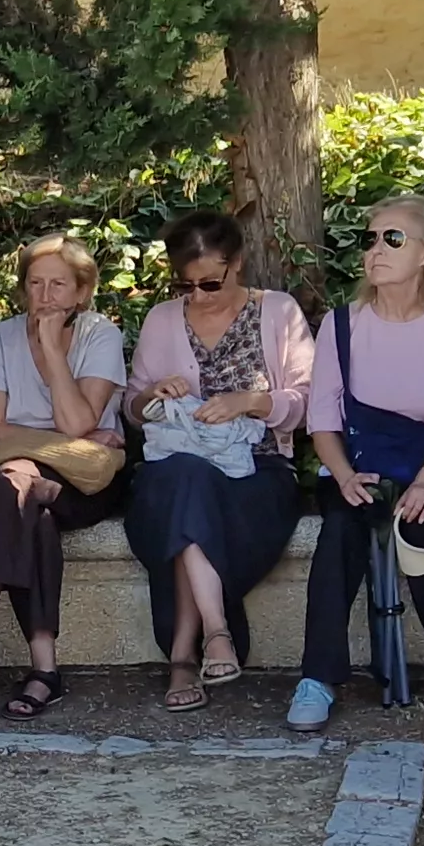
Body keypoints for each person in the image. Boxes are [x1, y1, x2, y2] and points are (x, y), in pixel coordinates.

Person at [289, 194, 424, 730]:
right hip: (361, 464)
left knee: (423, 525)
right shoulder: (342, 324)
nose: (376, 250)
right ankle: (317, 677)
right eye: (370, 239)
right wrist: (342, 475)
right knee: (341, 527)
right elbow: (323, 418)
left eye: (393, 239)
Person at [0, 234, 128, 720]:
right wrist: (64, 440)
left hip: (84, 484)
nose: (45, 296)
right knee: (27, 504)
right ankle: (44, 671)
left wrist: (54, 353)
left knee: (13, 481)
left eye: (59, 285)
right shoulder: (2, 336)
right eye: (35, 284)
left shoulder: (100, 335)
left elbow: (74, 422)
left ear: (82, 291)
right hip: (25, 482)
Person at [125, 211, 311, 711]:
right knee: (186, 480)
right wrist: (151, 396)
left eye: (210, 282)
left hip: (257, 470)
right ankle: (217, 632)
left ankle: (182, 658)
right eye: (185, 285)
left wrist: (251, 402)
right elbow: (132, 408)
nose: (199, 296)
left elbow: (308, 401)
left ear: (239, 263)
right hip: (176, 468)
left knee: (187, 502)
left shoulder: (278, 311)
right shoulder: (163, 319)